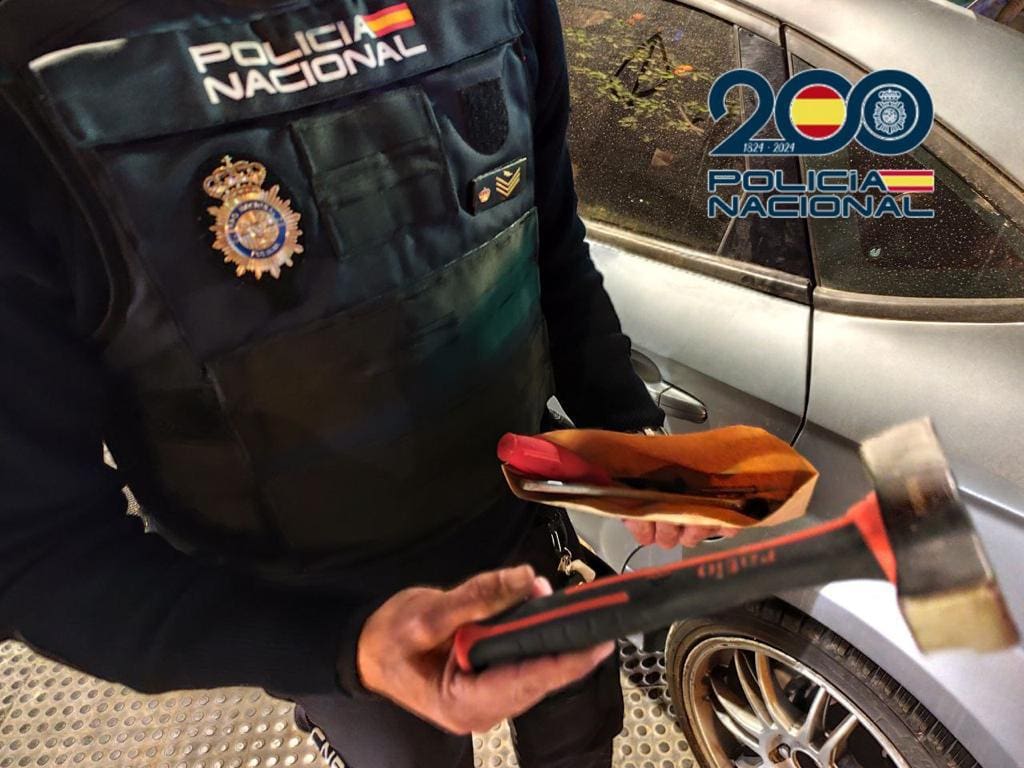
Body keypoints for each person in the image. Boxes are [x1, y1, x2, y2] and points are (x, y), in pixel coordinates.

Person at [0, 1, 735, 766]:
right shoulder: (30, 72)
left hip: (524, 528)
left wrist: (627, 428)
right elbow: (35, 555)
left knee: (580, 737)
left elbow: (544, 233)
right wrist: (341, 651)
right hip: (324, 612)